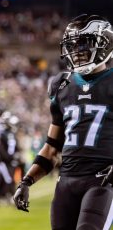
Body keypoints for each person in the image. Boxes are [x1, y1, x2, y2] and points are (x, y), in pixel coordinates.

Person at [13, 14, 113, 230]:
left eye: (85, 43)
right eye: (74, 44)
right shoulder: (61, 84)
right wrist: (26, 181)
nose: (78, 51)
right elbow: (51, 147)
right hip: (66, 180)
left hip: (102, 180)